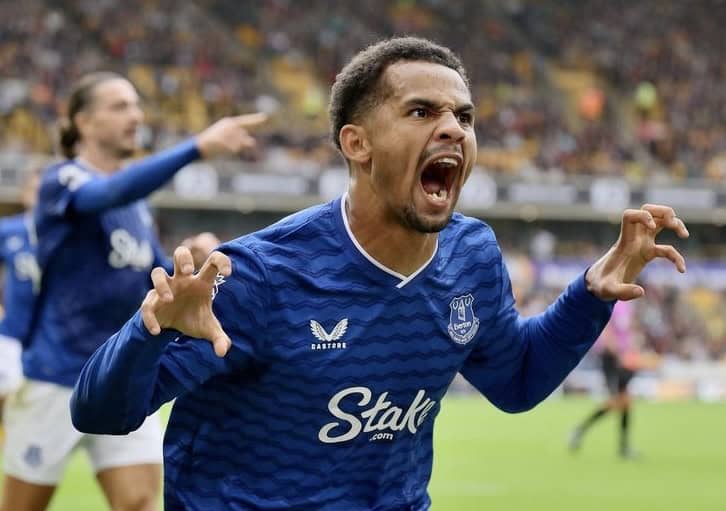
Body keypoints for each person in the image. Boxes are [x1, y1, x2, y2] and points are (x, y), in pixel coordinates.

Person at [71, 38, 689, 510]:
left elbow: (517, 380)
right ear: (357, 144)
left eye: (464, 117)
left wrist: (590, 295)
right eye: (421, 111)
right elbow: (99, 414)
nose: (453, 128)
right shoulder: (260, 275)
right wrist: (148, 333)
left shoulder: (471, 255)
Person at [1, 71, 265, 511]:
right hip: (55, 376)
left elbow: (151, 276)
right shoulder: (61, 181)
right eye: (120, 106)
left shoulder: (135, 206)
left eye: (137, 105)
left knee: (141, 504)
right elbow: (108, 192)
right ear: (83, 121)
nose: (136, 116)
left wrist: (191, 259)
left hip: (120, 374)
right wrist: (197, 147)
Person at [568, 299, 655, 458]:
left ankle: (622, 447)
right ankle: (580, 430)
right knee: (617, 401)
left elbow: (629, 331)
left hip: (623, 358)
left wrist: (631, 351)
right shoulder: (612, 303)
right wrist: (618, 354)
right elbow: (606, 330)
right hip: (611, 358)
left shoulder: (627, 304)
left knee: (625, 402)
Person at [0, 166, 42, 413]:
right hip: (12, 335)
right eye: (35, 191)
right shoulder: (9, 230)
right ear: (25, 195)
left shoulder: (68, 236)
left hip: (50, 341)